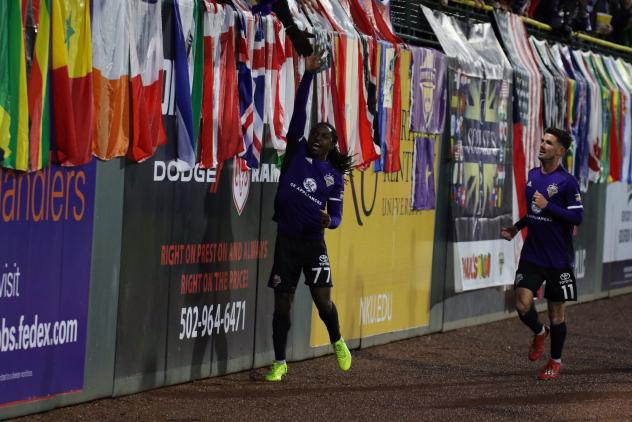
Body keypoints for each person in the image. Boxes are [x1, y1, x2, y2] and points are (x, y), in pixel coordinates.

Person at [265, 54, 354, 382]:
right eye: (314, 134)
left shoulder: (333, 176)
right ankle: (279, 362)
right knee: (282, 305)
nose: (316, 138)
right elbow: (300, 112)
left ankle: (338, 341)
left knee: (322, 302)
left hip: (312, 244)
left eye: (324, 137)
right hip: (286, 241)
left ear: (331, 145)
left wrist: (327, 222)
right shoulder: (295, 152)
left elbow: (338, 217)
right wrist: (308, 76)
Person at [501, 128, 583, 380]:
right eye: (542, 141)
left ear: (560, 151)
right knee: (521, 302)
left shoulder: (567, 182)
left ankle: (555, 362)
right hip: (533, 254)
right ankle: (539, 332)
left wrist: (550, 206)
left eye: (549, 143)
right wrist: (517, 227)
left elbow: (576, 216)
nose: (543, 145)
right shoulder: (532, 175)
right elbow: (535, 212)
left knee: (557, 314)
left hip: (558, 259)